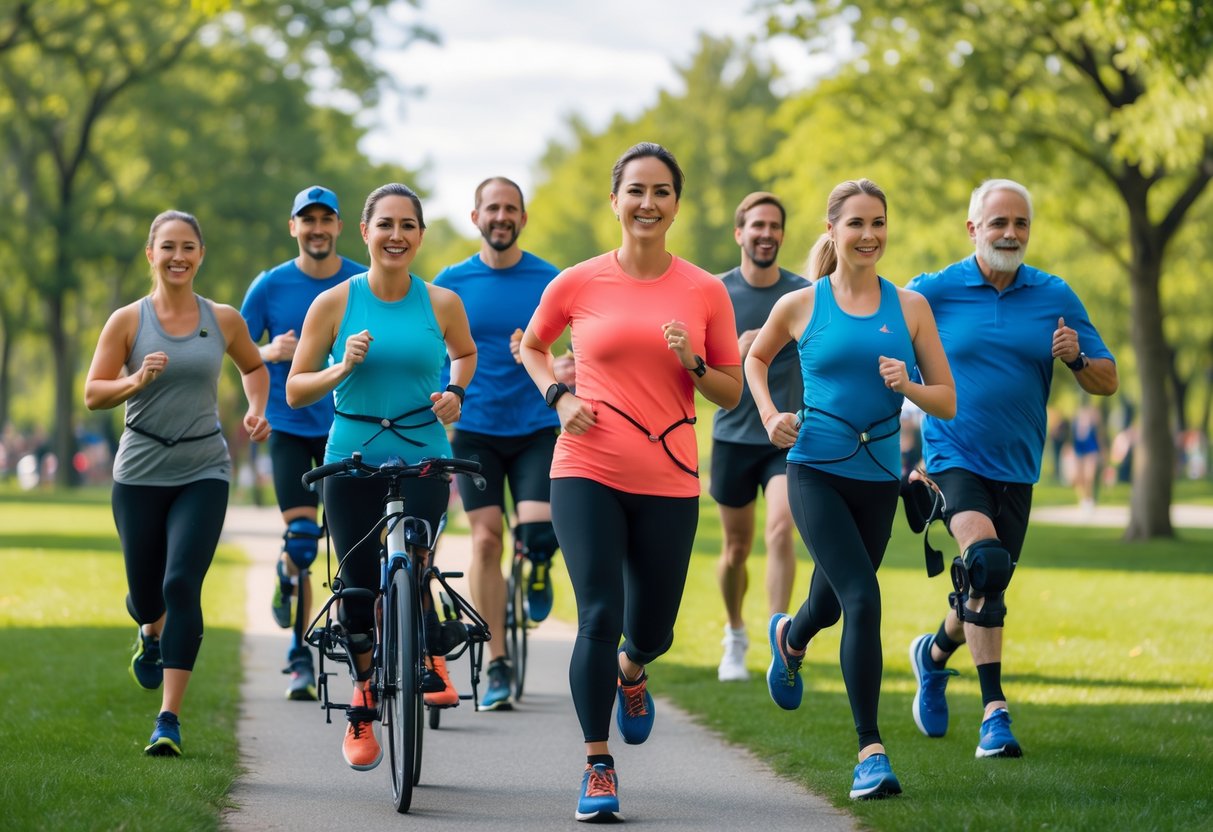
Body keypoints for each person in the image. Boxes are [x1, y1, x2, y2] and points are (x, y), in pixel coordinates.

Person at [519, 142, 742, 822]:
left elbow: (730, 394)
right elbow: (533, 345)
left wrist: (693, 363)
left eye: (661, 192)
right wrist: (557, 400)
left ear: (675, 204)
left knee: (651, 629)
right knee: (597, 614)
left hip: (668, 477)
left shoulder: (705, 290)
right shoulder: (577, 282)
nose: (647, 203)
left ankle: (632, 670)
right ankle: (597, 765)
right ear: (614, 200)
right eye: (635, 190)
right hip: (585, 467)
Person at [748, 179, 955, 800]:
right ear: (833, 230)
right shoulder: (800, 303)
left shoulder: (911, 307)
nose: (870, 235)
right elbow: (756, 360)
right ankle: (871, 752)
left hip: (878, 480)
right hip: (812, 469)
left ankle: (789, 638)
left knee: (834, 602)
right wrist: (769, 417)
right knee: (862, 597)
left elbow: (946, 397)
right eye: (858, 224)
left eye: (879, 223)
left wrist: (908, 384)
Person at [905, 178, 1117, 760]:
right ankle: (994, 714)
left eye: (1021, 223)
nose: (1010, 233)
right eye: (998, 222)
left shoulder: (1054, 295)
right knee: (986, 560)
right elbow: (873, 339)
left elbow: (1108, 379)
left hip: (1018, 468)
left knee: (987, 581)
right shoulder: (932, 292)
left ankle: (932, 654)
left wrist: (1075, 357)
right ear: (973, 228)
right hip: (952, 456)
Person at [285, 183, 476, 771]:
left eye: (408, 226)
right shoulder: (334, 304)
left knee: (416, 562)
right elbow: (295, 389)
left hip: (423, 449)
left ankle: (426, 645)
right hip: (353, 453)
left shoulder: (441, 303)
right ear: (364, 232)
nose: (397, 235)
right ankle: (363, 698)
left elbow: (465, 355)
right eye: (385, 224)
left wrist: (454, 393)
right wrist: (342, 365)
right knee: (359, 587)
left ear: (420, 235)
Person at [84, 210, 271, 757]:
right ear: (151, 254)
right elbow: (94, 393)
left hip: (203, 469)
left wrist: (257, 408)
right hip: (139, 471)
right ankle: (147, 631)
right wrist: (136, 379)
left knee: (180, 584)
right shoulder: (127, 321)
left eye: (188, 247)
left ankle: (168, 719)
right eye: (168, 247)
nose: (178, 257)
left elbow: (255, 369)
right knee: (147, 598)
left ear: (201, 254)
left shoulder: (223, 319)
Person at [433, 177, 562, 712]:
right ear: (476, 217)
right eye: (493, 208)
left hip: (536, 426)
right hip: (476, 428)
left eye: (511, 209)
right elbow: (432, 349)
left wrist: (548, 356)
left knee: (533, 532)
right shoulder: (450, 281)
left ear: (523, 219)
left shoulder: (551, 280)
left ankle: (536, 564)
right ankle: (499, 663)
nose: (501, 216)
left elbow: (579, 349)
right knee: (486, 540)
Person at [241, 185, 366, 701]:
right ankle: (299, 657)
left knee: (355, 545)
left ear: (338, 226)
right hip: (289, 426)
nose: (316, 228)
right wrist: (270, 350)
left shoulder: (362, 281)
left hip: (349, 426)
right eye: (306, 219)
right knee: (301, 542)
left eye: (326, 219)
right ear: (293, 227)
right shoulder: (270, 286)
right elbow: (238, 347)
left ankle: (364, 641)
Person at [710, 192, 808, 682]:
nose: (765, 234)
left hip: (785, 436)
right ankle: (734, 633)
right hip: (732, 436)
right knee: (735, 549)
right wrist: (737, 348)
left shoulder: (803, 293)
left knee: (780, 529)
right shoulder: (716, 292)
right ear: (739, 233)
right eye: (756, 226)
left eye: (774, 226)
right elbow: (698, 372)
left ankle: (779, 639)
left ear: (781, 235)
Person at [1071, 398, 1102, 515]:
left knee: (1089, 476)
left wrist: (1102, 451)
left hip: (1091, 449)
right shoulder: (1076, 421)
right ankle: (1083, 499)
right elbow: (1072, 437)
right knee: (1079, 477)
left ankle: (1089, 499)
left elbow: (1099, 436)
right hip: (1079, 449)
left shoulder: (1093, 422)